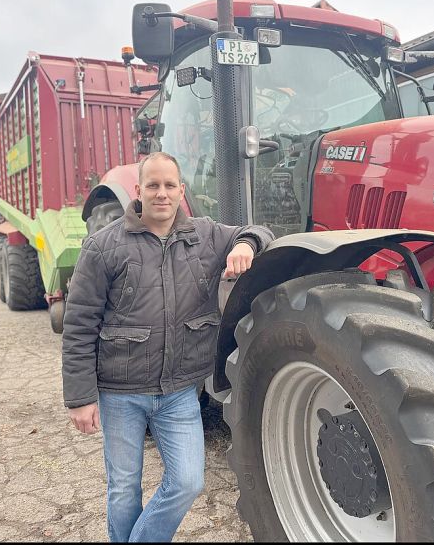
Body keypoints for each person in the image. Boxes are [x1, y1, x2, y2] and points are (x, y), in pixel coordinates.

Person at [61, 152, 274, 542]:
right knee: (124, 488)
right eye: (153, 186)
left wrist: (246, 243)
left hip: (178, 392)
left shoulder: (206, 235)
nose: (162, 194)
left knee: (188, 482)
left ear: (181, 190)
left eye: (169, 185)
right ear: (139, 191)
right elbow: (79, 325)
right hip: (120, 392)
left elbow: (260, 230)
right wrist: (80, 397)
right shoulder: (103, 247)